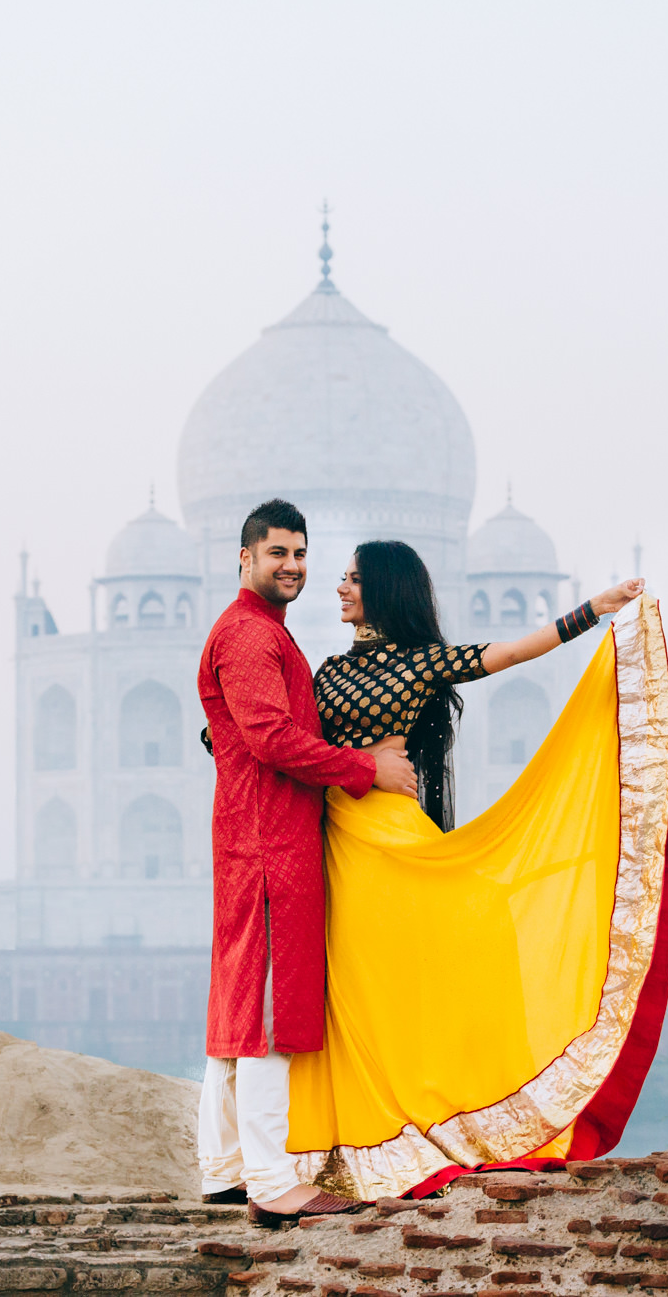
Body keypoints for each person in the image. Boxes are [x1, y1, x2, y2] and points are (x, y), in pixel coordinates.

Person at [285, 539, 668, 1202]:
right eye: (343, 578)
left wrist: (595, 608)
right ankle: (349, 1143)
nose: (341, 588)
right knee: (352, 989)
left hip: (395, 845)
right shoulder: (325, 673)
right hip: (338, 845)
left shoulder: (420, 663)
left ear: (384, 589)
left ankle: (444, 1110)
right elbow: (295, 740)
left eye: (354, 579)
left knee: (426, 966)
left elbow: (513, 653)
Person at [195, 500, 419, 1225]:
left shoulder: (261, 632)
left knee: (241, 999)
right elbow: (270, 739)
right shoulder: (250, 635)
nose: (292, 566)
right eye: (277, 553)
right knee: (268, 1009)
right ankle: (271, 1181)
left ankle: (224, 1167)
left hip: (255, 836)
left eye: (299, 553)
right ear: (245, 557)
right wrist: (366, 767)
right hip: (270, 843)